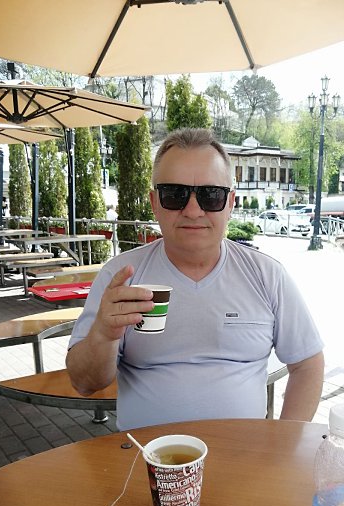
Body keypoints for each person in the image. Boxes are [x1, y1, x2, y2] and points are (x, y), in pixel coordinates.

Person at [66, 128, 324, 430]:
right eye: (174, 195)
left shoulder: (266, 275)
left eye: (211, 195)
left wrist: (285, 442)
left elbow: (308, 363)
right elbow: (85, 383)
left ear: (230, 203)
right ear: (154, 202)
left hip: (243, 453)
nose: (192, 210)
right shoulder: (121, 277)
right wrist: (103, 335)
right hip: (147, 454)